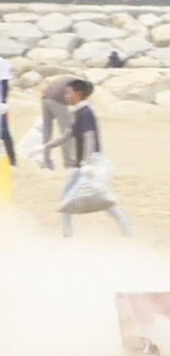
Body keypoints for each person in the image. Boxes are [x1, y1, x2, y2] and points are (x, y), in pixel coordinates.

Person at [42, 79, 132, 237]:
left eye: (68, 93)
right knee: (95, 197)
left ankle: (124, 226)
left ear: (79, 94)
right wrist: (46, 147)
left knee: (96, 198)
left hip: (92, 165)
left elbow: (89, 137)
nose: (65, 96)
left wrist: (86, 162)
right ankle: (68, 233)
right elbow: (67, 135)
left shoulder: (86, 113)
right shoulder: (78, 113)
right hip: (84, 165)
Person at [41, 75, 78, 169]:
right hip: (57, 100)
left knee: (47, 131)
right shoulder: (79, 86)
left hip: (45, 98)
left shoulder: (68, 79)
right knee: (67, 131)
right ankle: (69, 163)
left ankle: (46, 162)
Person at [0, 56, 14, 166]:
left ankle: (12, 159)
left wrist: (4, 102)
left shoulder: (3, 63)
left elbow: (5, 83)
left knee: (4, 132)